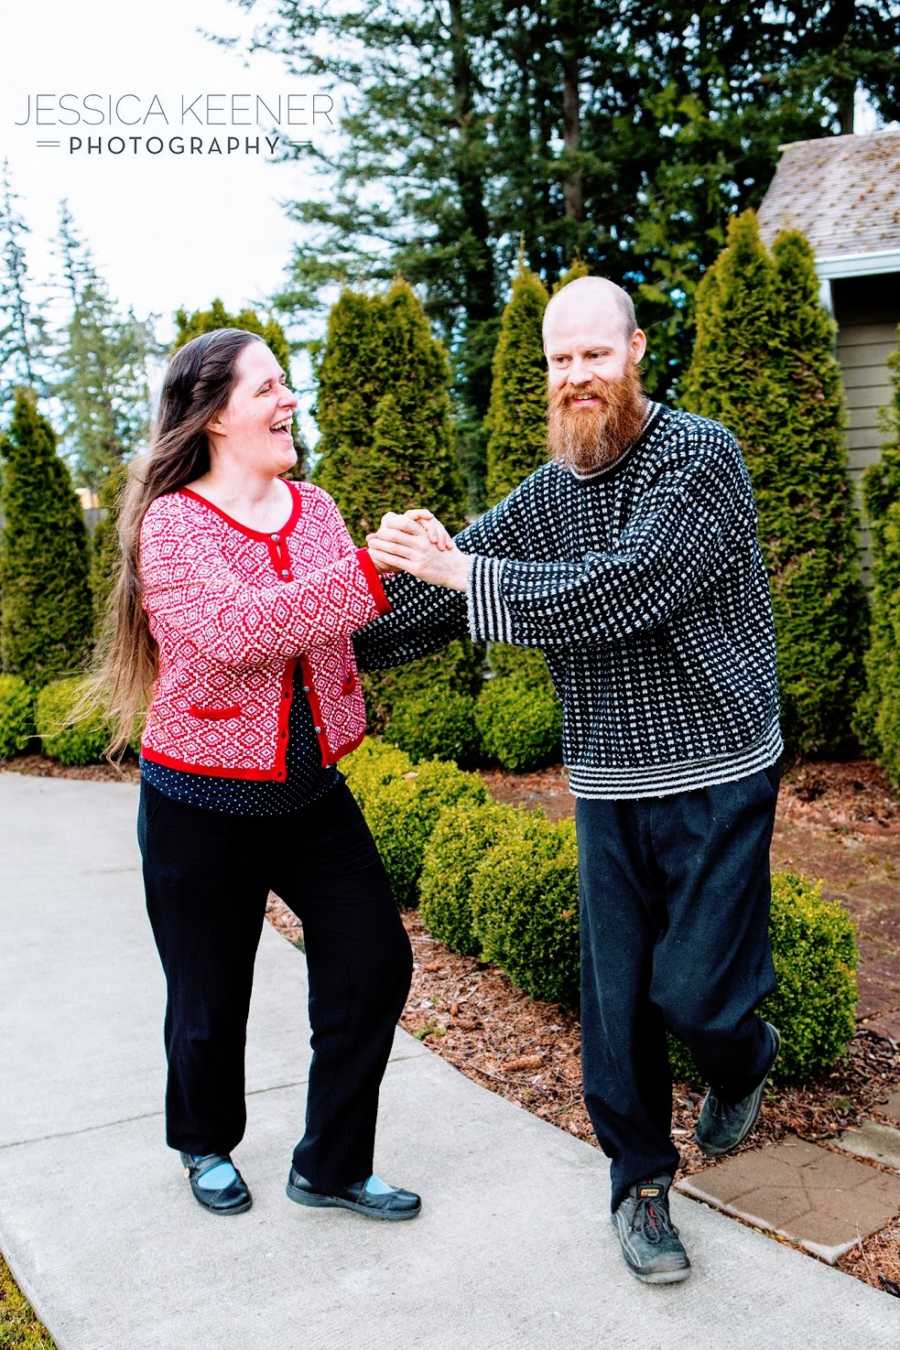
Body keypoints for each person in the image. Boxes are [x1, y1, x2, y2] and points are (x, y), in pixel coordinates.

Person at [355, 276, 783, 1284]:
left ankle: (740, 1055)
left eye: (595, 355)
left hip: (717, 769)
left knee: (698, 998)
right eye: (561, 362)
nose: (578, 377)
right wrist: (314, 647)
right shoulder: (551, 494)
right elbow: (442, 596)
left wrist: (459, 572)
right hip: (608, 782)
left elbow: (624, 590)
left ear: (636, 350)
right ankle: (639, 1184)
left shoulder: (699, 457)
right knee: (618, 999)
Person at [92, 328, 446, 1222]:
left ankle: (330, 1165)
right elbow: (235, 631)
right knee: (210, 998)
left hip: (310, 794)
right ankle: (204, 1142)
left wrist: (434, 566)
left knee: (373, 965)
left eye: (286, 385)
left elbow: (348, 626)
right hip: (198, 803)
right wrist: (371, 570)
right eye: (268, 388)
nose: (289, 400)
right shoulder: (171, 526)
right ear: (214, 416)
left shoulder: (315, 509)